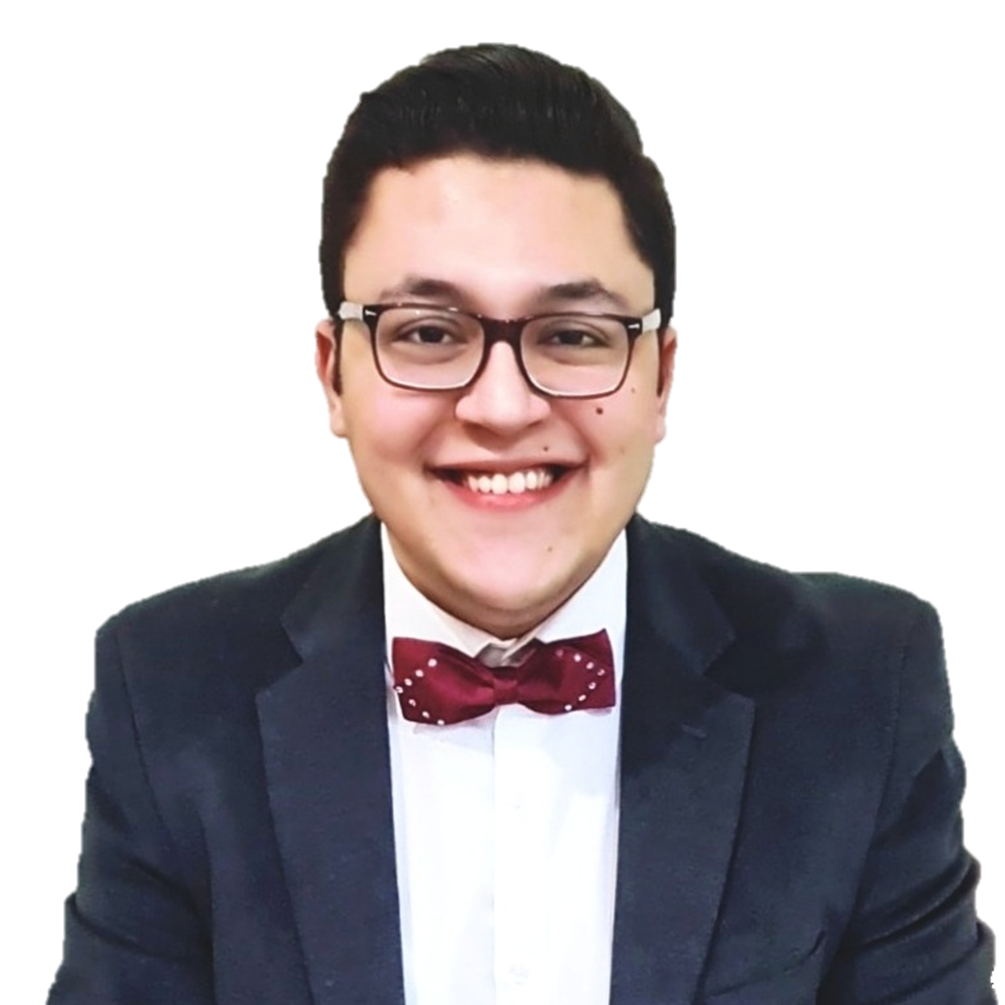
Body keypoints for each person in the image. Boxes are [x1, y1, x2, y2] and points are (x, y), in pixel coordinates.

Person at [48, 43, 995, 1004]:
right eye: (427, 332)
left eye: (573, 335)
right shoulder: (170, 689)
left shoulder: (857, 688)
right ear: (333, 373)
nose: (501, 407)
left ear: (659, 378)